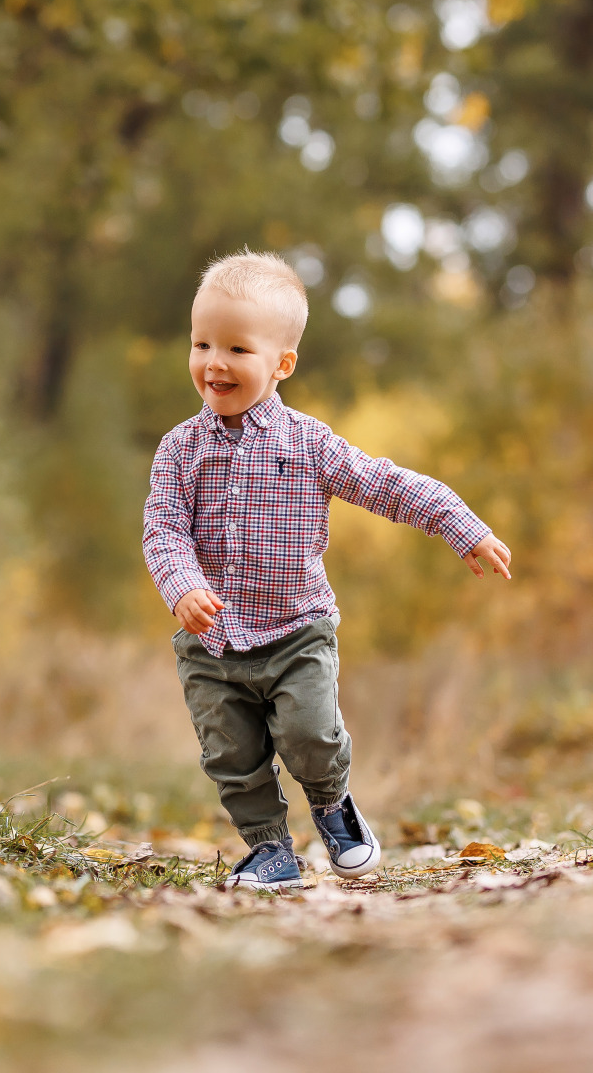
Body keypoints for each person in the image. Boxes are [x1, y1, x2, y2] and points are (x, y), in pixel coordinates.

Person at [142, 250, 512, 891]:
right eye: (201, 343)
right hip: (213, 641)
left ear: (282, 364)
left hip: (296, 629)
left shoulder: (308, 443)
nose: (214, 363)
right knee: (231, 754)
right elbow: (162, 527)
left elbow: (384, 484)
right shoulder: (180, 448)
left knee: (309, 734)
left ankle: (333, 804)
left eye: (237, 348)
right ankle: (269, 849)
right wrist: (183, 587)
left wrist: (460, 524)